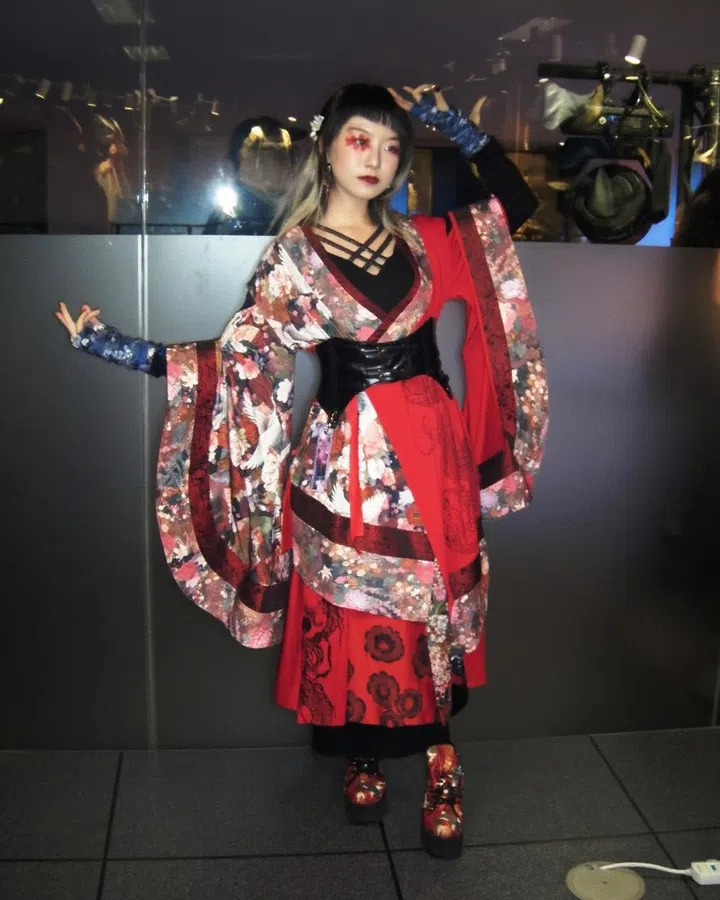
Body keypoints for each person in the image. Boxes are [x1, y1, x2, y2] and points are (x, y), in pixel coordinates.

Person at [56, 83, 548, 860]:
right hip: (344, 458)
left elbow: (512, 204)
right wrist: (118, 347)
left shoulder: (424, 240)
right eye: (361, 140)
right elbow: (242, 361)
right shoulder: (293, 257)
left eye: (392, 146)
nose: (378, 160)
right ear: (326, 147)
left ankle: (441, 759)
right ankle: (362, 750)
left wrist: (453, 125)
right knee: (349, 604)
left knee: (432, 602)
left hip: (433, 450)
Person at [203, 116, 299, 235]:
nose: (289, 161)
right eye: (272, 150)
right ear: (246, 159)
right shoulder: (233, 218)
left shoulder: (287, 211)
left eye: (289, 151)